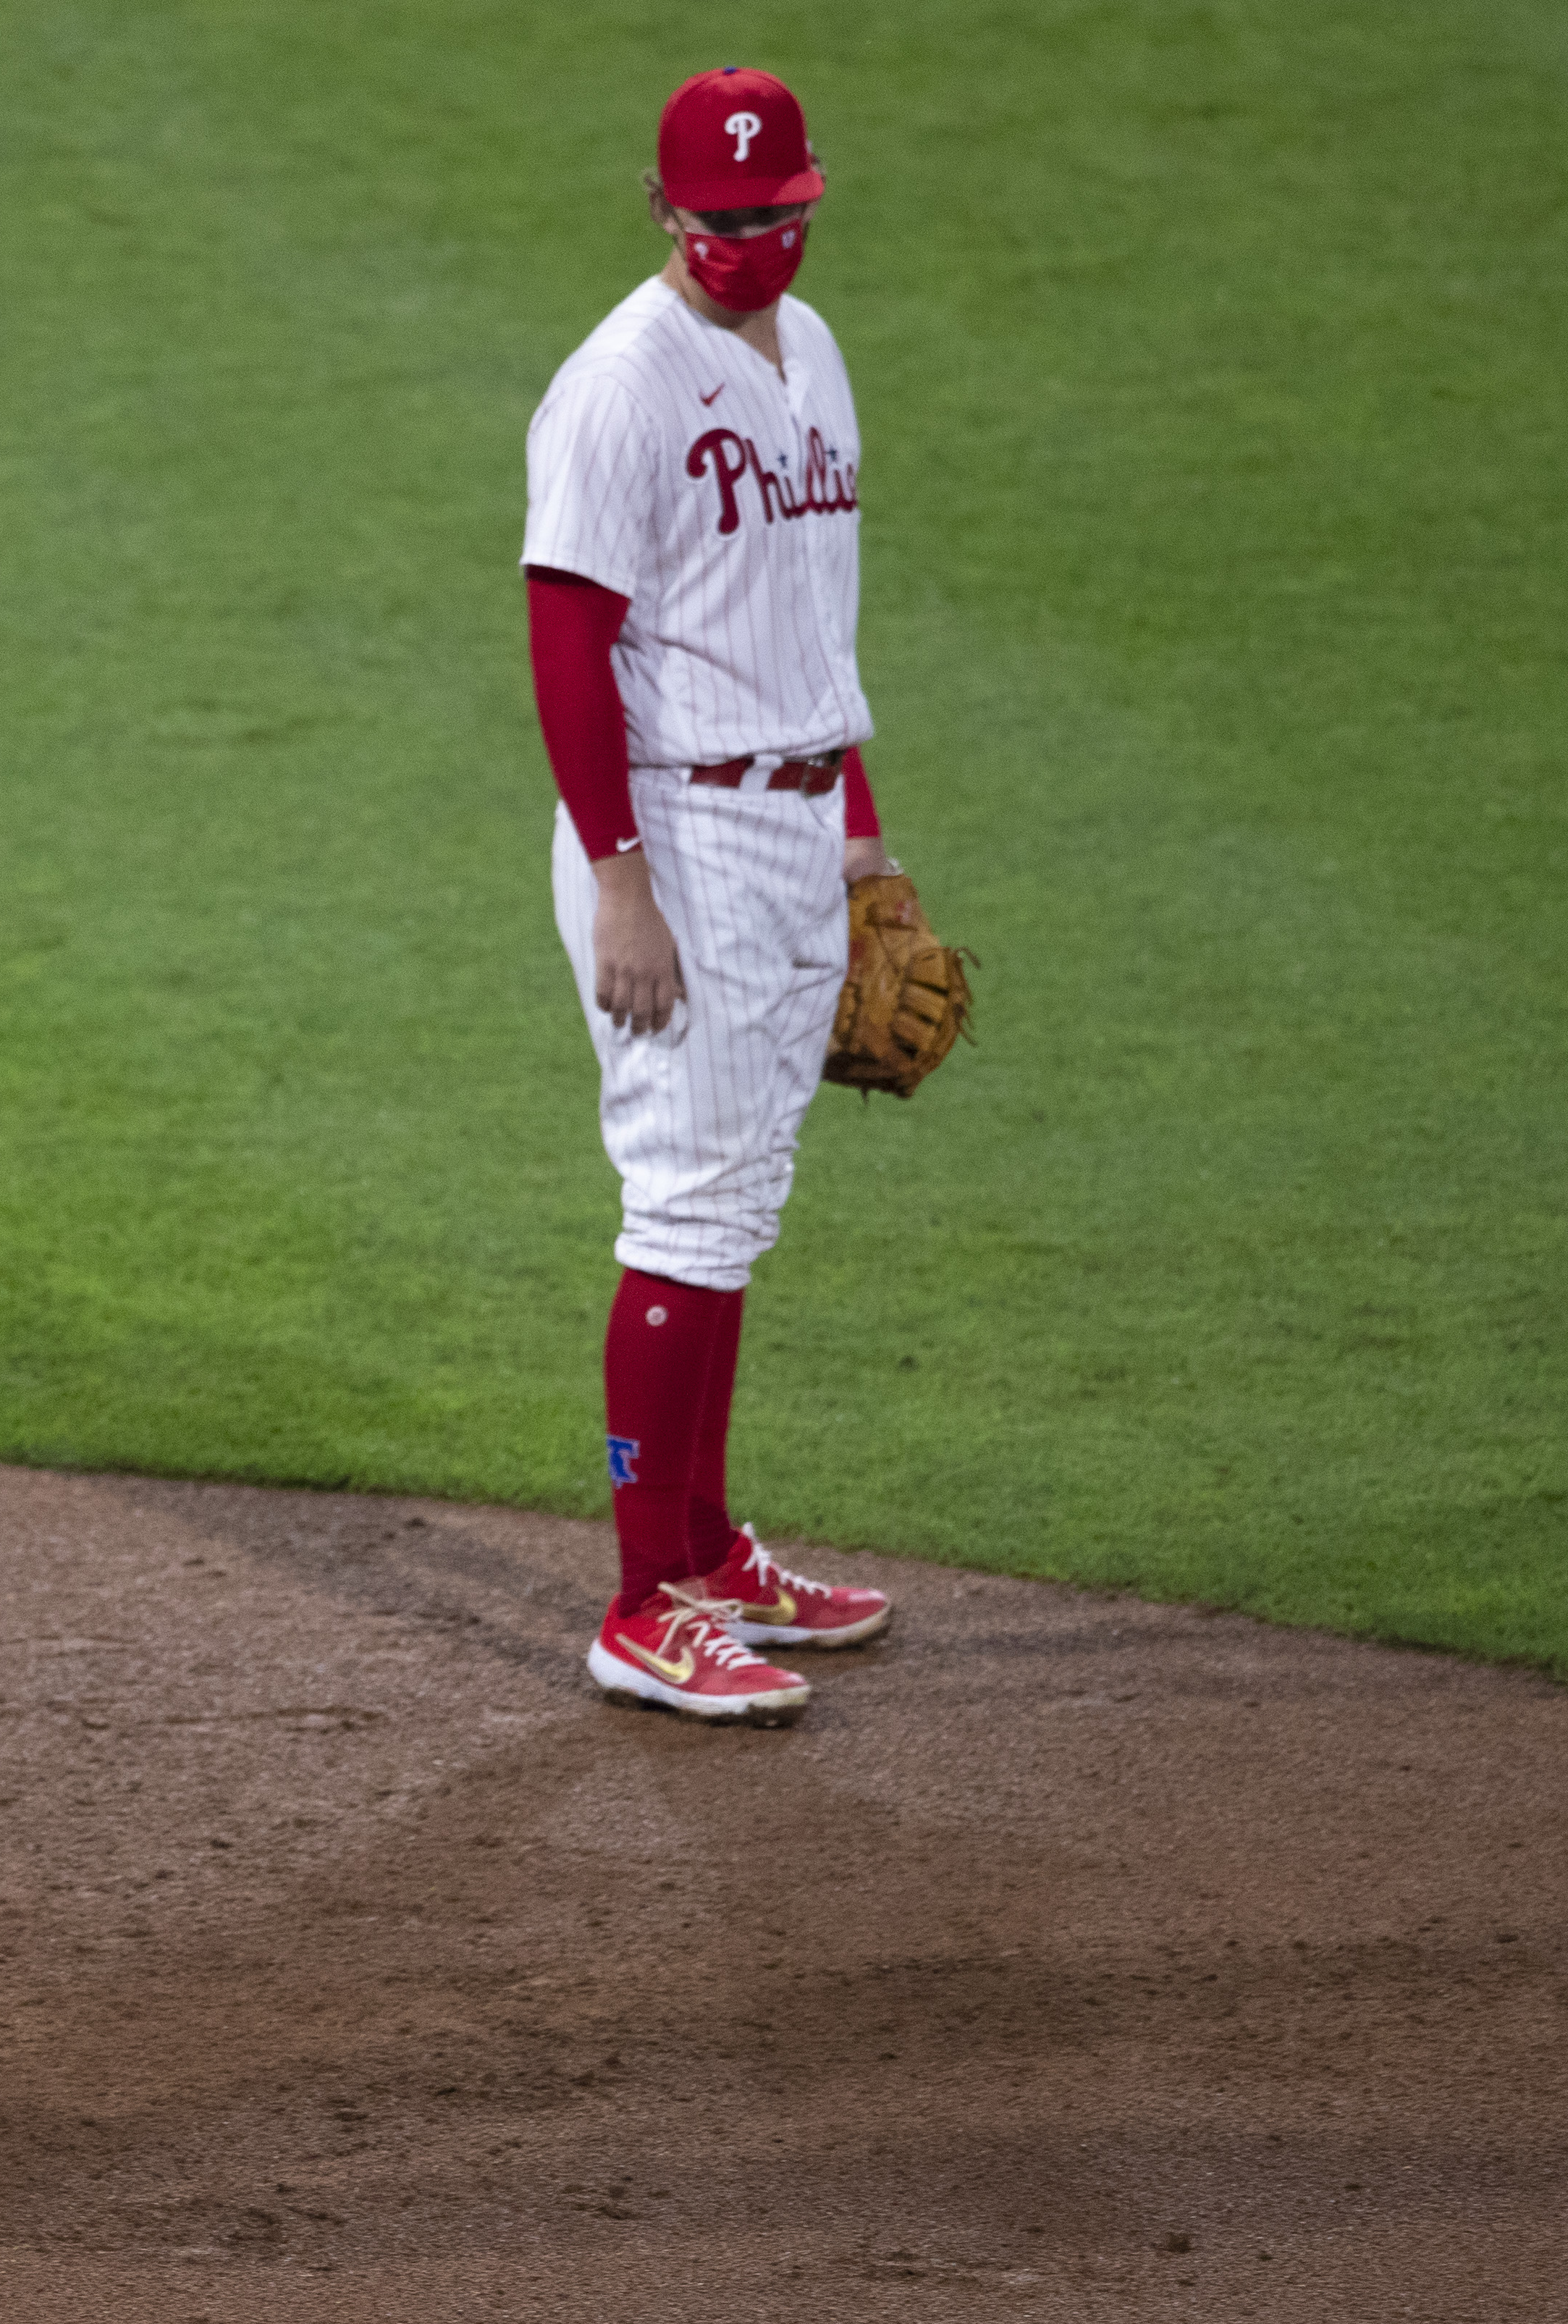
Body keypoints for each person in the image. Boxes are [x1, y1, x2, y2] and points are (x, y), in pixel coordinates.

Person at [523, 67, 908, 1722]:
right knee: (682, 1206)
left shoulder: (809, 353)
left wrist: (866, 841)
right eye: (723, 220)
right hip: (671, 835)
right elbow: (564, 642)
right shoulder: (616, 387)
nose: (754, 243)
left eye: (778, 215)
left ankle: (703, 1549)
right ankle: (636, 1600)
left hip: (796, 819)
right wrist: (621, 884)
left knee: (738, 1202)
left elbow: (814, 624)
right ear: (666, 211)